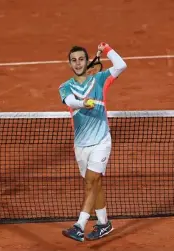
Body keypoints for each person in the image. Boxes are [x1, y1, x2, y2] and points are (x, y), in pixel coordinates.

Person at [58, 43, 127, 241]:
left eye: (81, 59)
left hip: (101, 140)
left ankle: (79, 225)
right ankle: (104, 223)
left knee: (91, 181)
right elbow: (71, 102)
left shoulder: (100, 79)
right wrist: (83, 103)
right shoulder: (65, 86)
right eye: (74, 60)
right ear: (69, 64)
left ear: (87, 61)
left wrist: (107, 48)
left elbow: (121, 65)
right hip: (80, 144)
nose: (78, 63)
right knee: (94, 183)